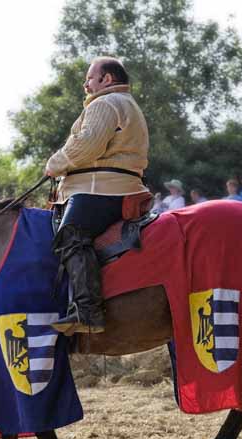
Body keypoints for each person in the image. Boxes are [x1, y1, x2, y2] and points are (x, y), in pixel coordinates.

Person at [43, 56, 151, 335]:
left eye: (90, 78)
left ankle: (87, 311)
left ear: (107, 79)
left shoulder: (106, 104)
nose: (85, 84)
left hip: (101, 188)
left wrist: (54, 164)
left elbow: (86, 147)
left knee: (71, 235)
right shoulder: (126, 104)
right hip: (117, 186)